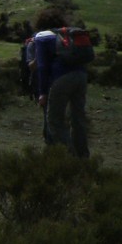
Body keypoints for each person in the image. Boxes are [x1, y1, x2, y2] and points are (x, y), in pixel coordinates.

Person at [32, 8, 90, 158]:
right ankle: (83, 156)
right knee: (78, 118)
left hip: (61, 79)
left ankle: (69, 157)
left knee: (54, 120)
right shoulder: (66, 34)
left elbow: (42, 67)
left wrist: (43, 92)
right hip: (81, 76)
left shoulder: (42, 37)